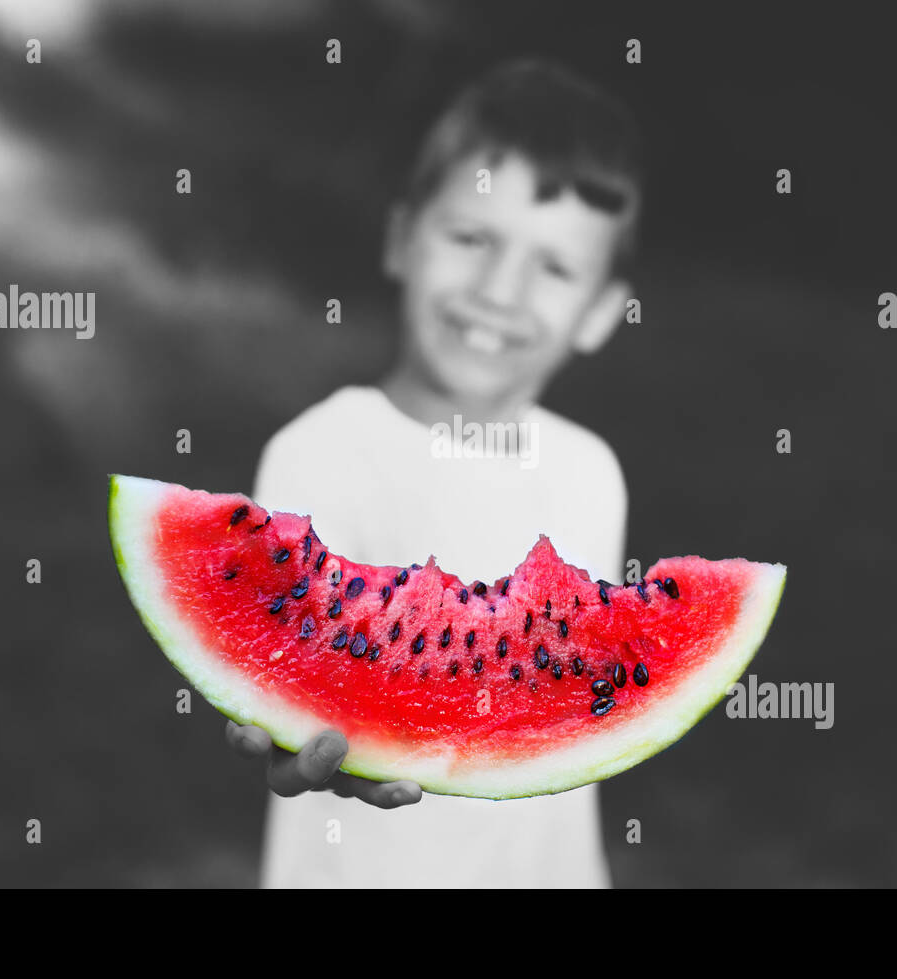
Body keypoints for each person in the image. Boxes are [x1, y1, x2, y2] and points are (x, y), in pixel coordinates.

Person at [227, 57, 645, 887]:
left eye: (554, 267)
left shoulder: (592, 472)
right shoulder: (318, 454)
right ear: (400, 240)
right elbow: (290, 697)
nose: (499, 289)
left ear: (601, 312)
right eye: (471, 239)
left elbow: (577, 719)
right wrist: (288, 728)